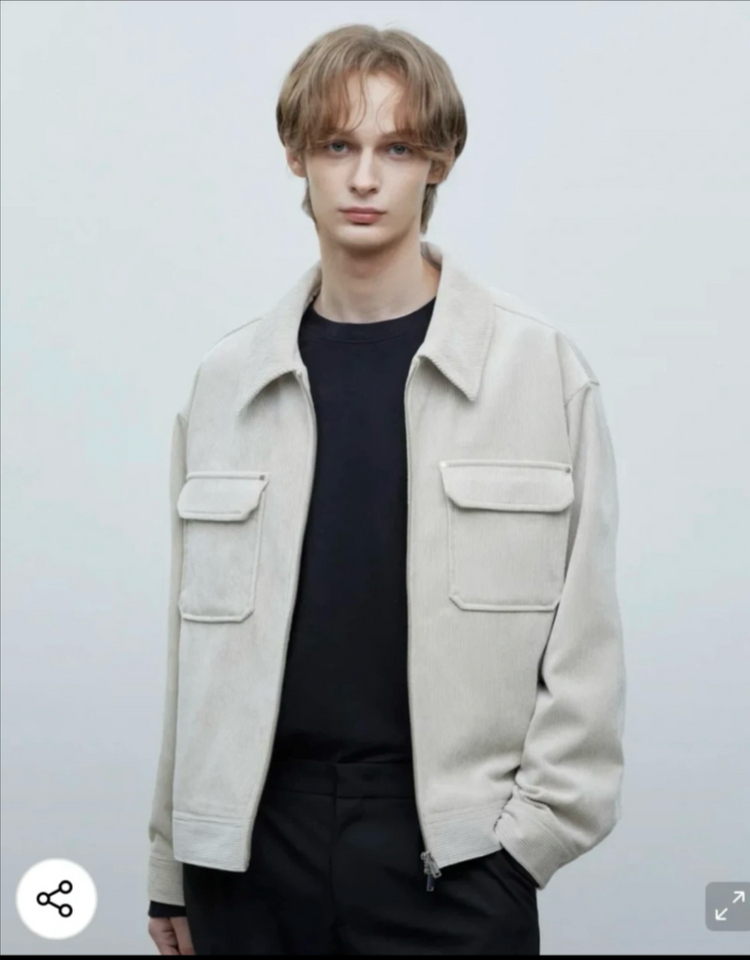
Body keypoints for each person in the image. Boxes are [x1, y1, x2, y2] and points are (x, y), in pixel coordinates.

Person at [146, 22, 626, 956]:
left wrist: (522, 851)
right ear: (298, 156)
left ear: (438, 161)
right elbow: (191, 651)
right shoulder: (226, 382)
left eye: (396, 148)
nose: (364, 177)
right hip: (247, 862)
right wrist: (174, 860)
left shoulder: (540, 372)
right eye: (338, 145)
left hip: (452, 861)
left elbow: (588, 647)